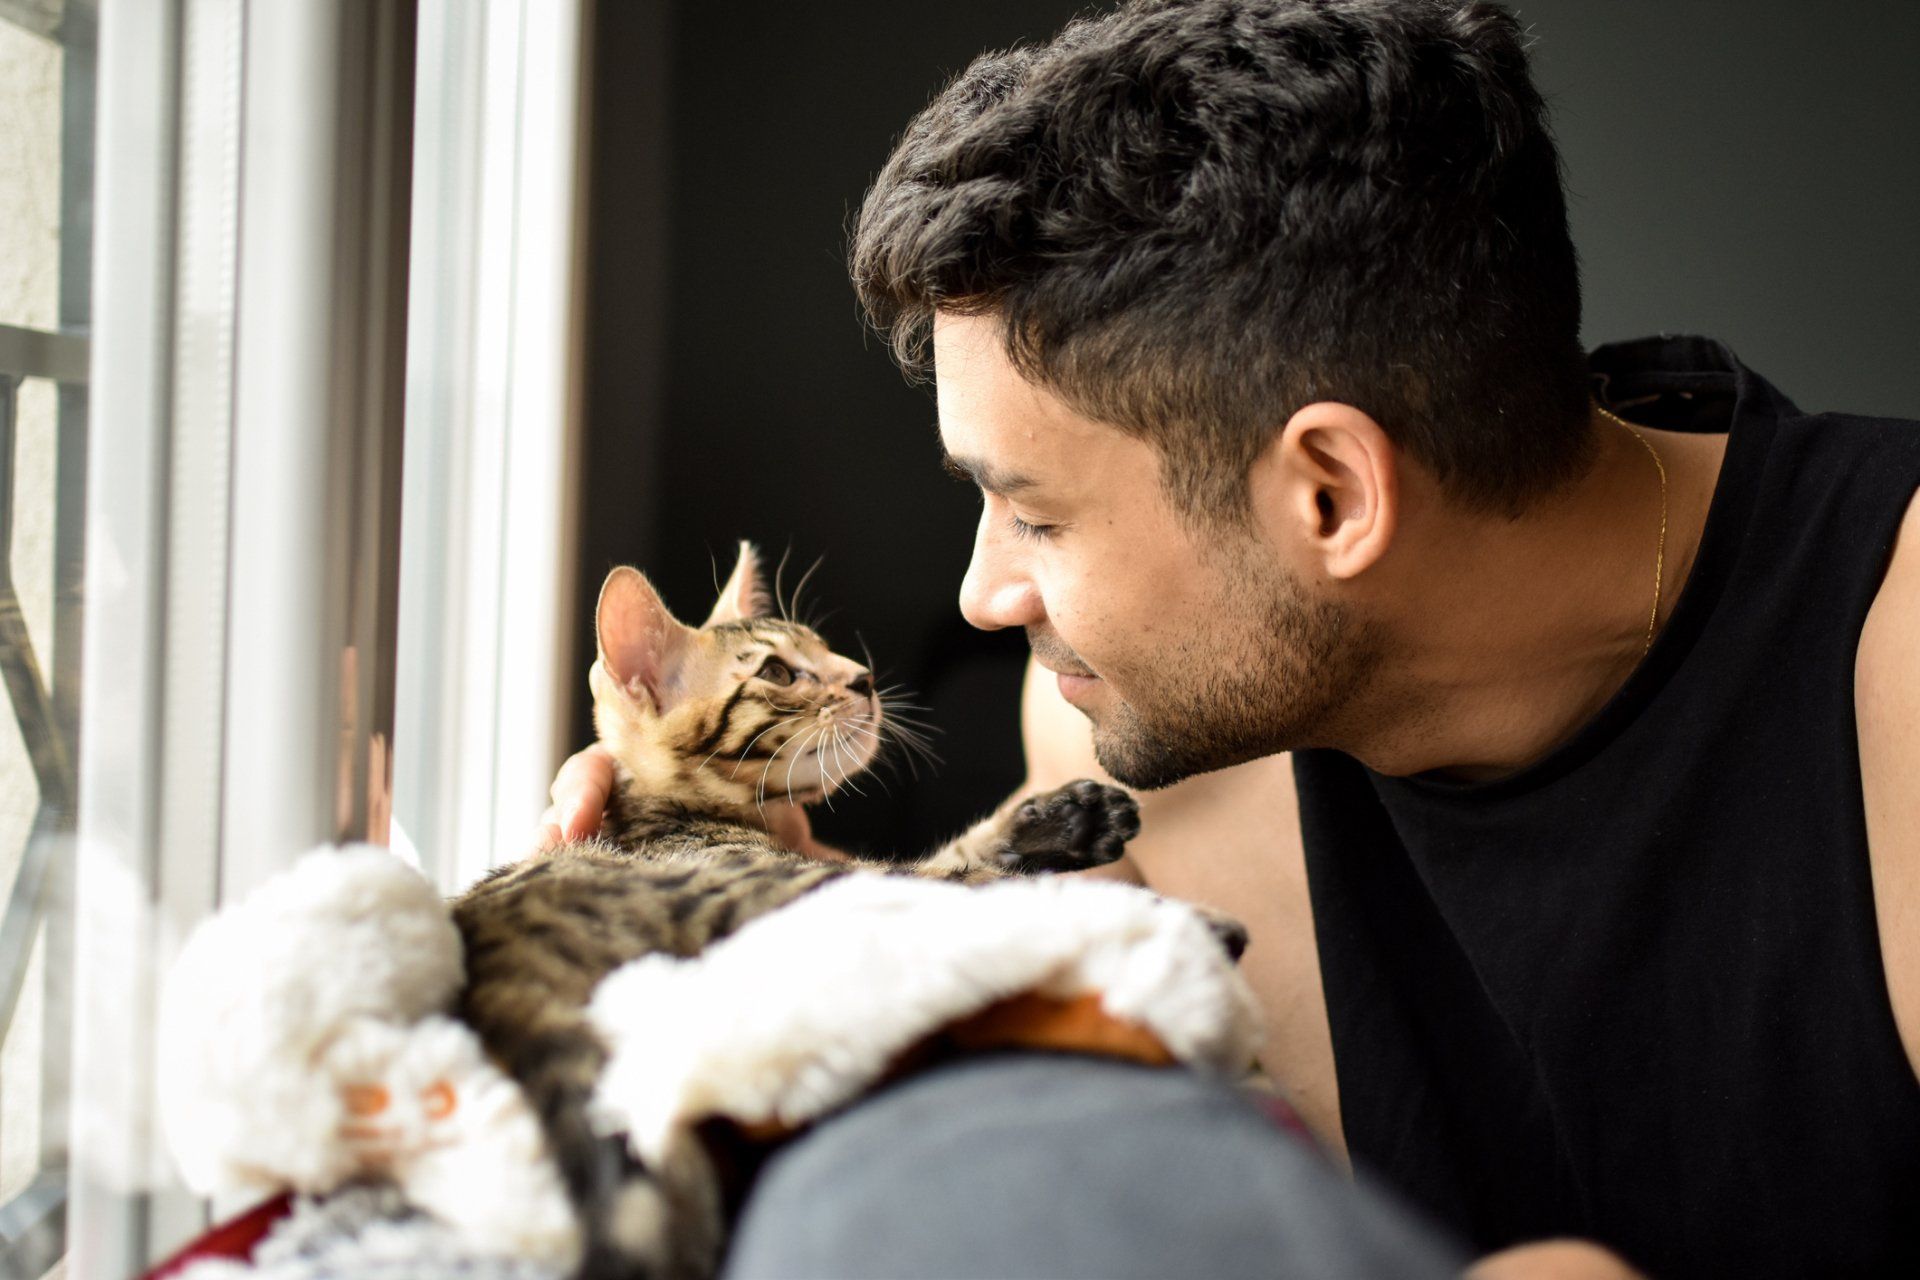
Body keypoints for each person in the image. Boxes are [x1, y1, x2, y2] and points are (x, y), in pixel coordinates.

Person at [545, 1, 1920, 1275]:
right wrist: (769, 908)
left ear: (1328, 494)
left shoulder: (1895, 663)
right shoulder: (1131, 745)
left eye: (1033, 513)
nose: (982, 594)